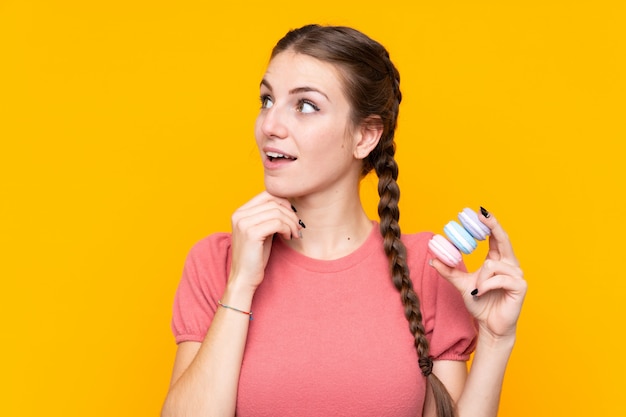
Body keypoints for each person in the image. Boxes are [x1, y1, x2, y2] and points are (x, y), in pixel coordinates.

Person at [161, 24, 527, 417]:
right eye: (267, 100)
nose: (269, 125)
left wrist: (494, 340)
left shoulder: (429, 267)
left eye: (305, 106)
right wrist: (239, 285)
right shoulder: (216, 262)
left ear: (365, 136)